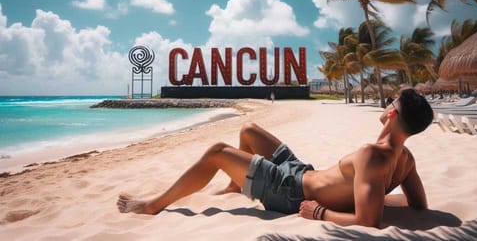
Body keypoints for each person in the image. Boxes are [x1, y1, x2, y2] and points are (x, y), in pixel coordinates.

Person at [117, 89, 433, 228]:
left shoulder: (372, 155)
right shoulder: (407, 160)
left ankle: (153, 204)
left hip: (290, 191)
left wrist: (321, 212)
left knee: (216, 151)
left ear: (391, 113)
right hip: (302, 171)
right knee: (250, 129)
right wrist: (373, 197)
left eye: (390, 101)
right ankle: (234, 187)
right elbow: (419, 206)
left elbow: (368, 222)